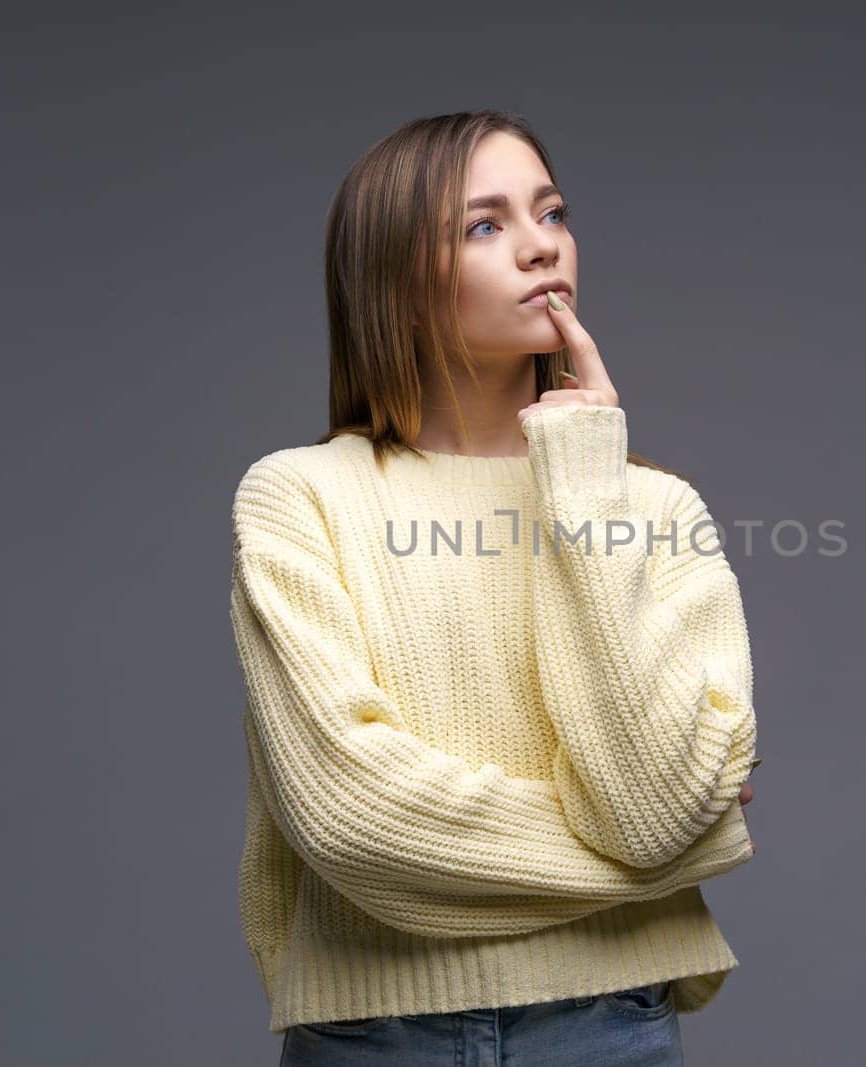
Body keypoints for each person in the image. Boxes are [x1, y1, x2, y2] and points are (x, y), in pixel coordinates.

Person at [228, 109, 761, 1066]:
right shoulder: (299, 498)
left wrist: (585, 486)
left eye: (550, 212)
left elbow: (650, 802)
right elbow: (352, 819)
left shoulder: (653, 504)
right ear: (392, 272)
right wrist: (672, 854)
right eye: (485, 225)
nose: (539, 245)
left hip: (613, 1026)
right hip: (374, 1039)